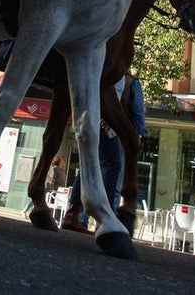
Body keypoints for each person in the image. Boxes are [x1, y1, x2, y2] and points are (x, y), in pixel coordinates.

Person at [60, 73, 146, 233]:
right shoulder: (128, 79)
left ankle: (74, 213)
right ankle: (105, 217)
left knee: (89, 162)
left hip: (95, 118)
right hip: (111, 126)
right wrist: (137, 135)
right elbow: (138, 112)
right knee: (113, 166)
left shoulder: (100, 70)